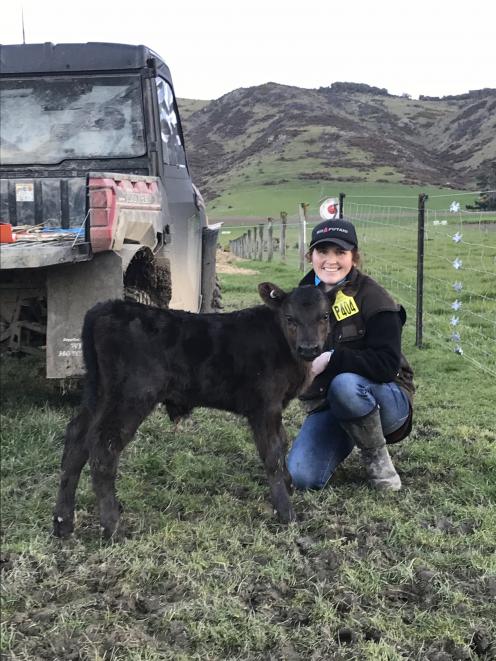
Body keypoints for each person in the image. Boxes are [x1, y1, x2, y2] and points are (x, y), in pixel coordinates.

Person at [287, 218, 415, 491]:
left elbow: (387, 366)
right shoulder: (300, 299)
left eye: (340, 253)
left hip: (386, 401)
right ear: (310, 256)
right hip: (330, 405)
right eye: (323, 252)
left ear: (354, 257)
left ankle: (378, 461)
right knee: (301, 476)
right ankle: (346, 433)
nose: (330, 260)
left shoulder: (375, 298)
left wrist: (331, 359)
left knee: (344, 383)